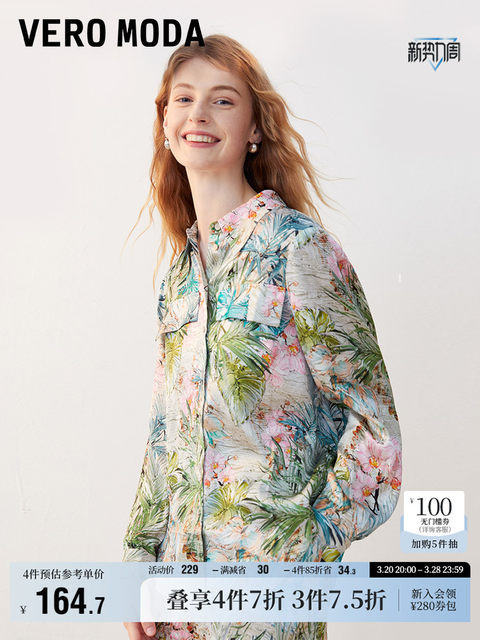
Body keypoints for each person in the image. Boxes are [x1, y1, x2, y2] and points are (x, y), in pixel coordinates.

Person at [122, 34, 402, 640]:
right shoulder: (179, 275)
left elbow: (374, 424)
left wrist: (306, 545)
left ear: (254, 127)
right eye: (183, 99)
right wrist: (139, 561)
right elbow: (166, 433)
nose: (199, 113)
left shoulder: (298, 249)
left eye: (222, 100)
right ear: (165, 123)